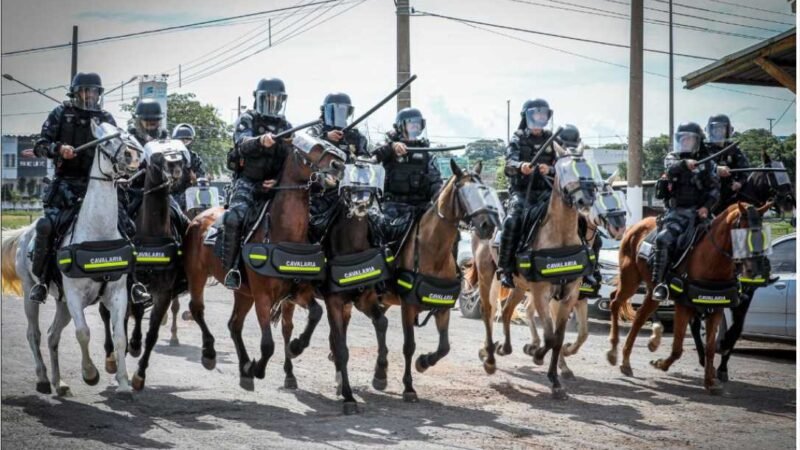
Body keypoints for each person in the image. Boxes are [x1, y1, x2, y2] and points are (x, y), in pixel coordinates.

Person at [27, 72, 149, 304]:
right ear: (75, 93)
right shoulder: (60, 114)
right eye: (85, 90)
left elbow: (118, 148)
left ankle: (133, 283)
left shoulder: (106, 119)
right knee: (46, 227)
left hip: (102, 186)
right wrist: (59, 149)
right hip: (66, 186)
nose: (90, 95)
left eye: (94, 91)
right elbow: (40, 146)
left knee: (128, 227)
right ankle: (42, 282)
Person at [221, 78, 293, 289]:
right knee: (235, 217)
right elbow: (242, 143)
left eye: (276, 99)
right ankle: (232, 269)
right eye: (268, 98)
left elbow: (291, 159)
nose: (272, 102)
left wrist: (278, 180)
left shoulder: (286, 126)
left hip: (276, 185)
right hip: (248, 182)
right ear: (258, 99)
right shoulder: (247, 119)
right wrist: (260, 141)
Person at [652, 121, 721, 301]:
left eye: (688, 139)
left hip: (700, 214)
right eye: (681, 139)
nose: (684, 142)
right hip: (677, 213)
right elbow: (670, 169)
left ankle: (731, 280)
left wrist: (706, 207)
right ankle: (660, 284)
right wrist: (684, 164)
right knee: (662, 240)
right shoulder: (672, 158)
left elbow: (714, 190)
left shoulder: (708, 162)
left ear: (697, 141)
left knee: (724, 236)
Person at [497, 98, 556, 289]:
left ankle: (588, 270)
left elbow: (564, 164)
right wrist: (521, 166)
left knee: (577, 217)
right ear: (527, 116)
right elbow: (509, 164)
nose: (540, 117)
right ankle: (505, 269)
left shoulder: (552, 138)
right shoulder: (517, 138)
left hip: (547, 192)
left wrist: (551, 170)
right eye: (537, 114)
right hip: (523, 193)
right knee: (512, 221)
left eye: (543, 114)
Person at [372, 107, 442, 246]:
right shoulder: (388, 147)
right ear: (400, 126)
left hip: (421, 207)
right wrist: (391, 147)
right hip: (393, 207)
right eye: (411, 122)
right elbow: (372, 157)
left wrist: (441, 199)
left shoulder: (427, 154)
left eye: (418, 122)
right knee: (382, 231)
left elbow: (435, 182)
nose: (415, 125)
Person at [307, 92, 370, 242]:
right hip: (320, 192)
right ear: (326, 111)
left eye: (343, 111)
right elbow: (305, 145)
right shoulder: (315, 130)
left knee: (374, 221)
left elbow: (366, 160)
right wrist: (325, 137)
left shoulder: (355, 136)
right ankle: (311, 246)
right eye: (335, 110)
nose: (340, 115)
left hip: (349, 191)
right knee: (313, 222)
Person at [704, 114, 750, 215]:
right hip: (707, 193)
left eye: (721, 128)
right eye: (715, 128)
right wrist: (716, 169)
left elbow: (745, 170)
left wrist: (739, 183)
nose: (718, 131)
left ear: (727, 130)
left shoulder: (734, 149)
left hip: (730, 193)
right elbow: (698, 167)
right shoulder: (703, 149)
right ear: (710, 130)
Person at [171, 123, 208, 211]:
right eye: (181, 140)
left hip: (190, 194)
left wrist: (196, 179)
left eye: (187, 140)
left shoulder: (194, 158)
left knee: (204, 210)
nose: (184, 142)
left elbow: (201, 177)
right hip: (171, 194)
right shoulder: (170, 156)